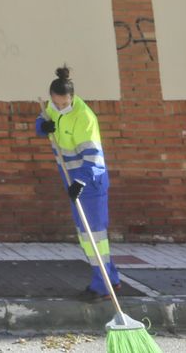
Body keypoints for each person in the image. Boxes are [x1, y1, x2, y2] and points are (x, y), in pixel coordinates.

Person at [34, 64, 122, 299]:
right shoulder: (52, 108)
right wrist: (42, 127)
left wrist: (80, 182)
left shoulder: (84, 118)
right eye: (56, 103)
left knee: (95, 236)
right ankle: (110, 279)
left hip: (90, 183)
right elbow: (42, 121)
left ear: (73, 97)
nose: (61, 108)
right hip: (72, 181)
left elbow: (94, 159)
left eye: (65, 104)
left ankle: (102, 286)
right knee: (85, 235)